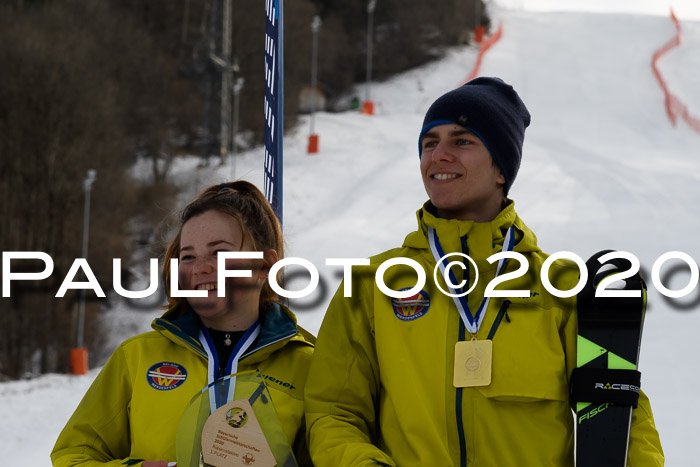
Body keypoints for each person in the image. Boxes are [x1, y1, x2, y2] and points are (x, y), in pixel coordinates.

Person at [304, 77, 664, 466]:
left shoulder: (561, 291)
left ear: (501, 170)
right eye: (429, 142)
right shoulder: (372, 286)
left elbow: (622, 420)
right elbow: (332, 413)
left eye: (462, 141)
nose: (438, 154)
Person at [52, 181, 315, 466]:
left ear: (265, 266)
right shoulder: (137, 358)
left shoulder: (308, 366)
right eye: (188, 256)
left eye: (219, 252)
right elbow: (73, 455)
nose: (200, 267)